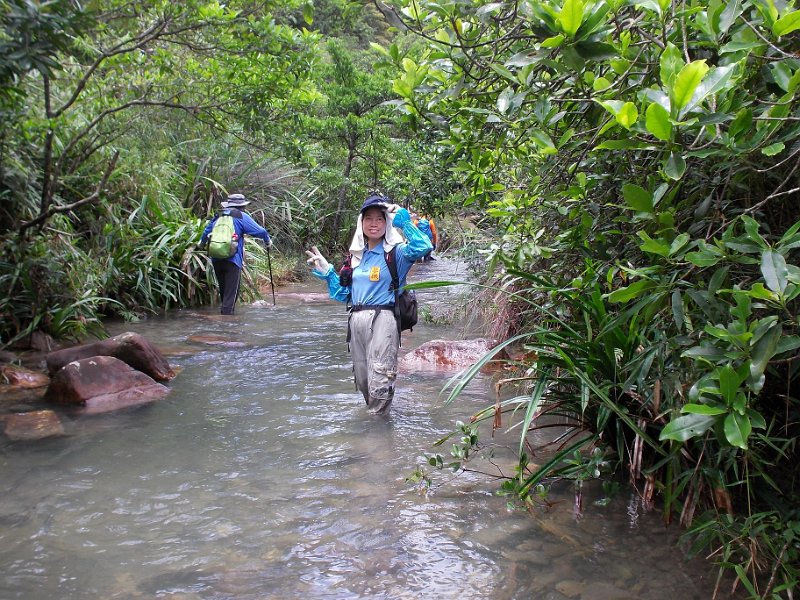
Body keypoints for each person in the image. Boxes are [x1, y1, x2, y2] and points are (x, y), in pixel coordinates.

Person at [305, 194, 433, 414]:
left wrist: (403, 221)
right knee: (363, 379)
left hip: (383, 318)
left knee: (381, 379)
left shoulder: (396, 253)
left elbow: (424, 246)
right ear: (361, 223)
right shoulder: (355, 258)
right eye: (369, 218)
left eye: (380, 219)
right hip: (356, 320)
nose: (374, 223)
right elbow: (343, 293)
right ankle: (375, 423)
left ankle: (377, 438)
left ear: (387, 222)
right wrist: (328, 272)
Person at [200, 193, 272, 315]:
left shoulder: (219, 216)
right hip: (233, 261)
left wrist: (201, 244)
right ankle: (227, 325)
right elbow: (261, 231)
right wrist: (267, 242)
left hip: (216, 259)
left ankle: (223, 319)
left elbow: (206, 232)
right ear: (242, 207)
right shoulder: (241, 216)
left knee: (224, 292)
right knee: (231, 295)